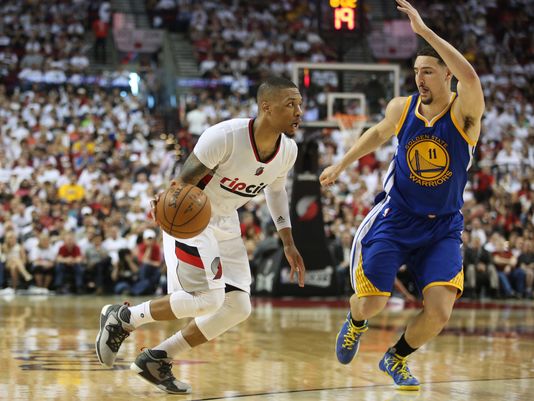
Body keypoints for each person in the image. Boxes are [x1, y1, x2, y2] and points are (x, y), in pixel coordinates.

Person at [95, 76, 306, 394]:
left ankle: (157, 358)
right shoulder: (226, 136)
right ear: (266, 107)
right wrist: (165, 199)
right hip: (192, 220)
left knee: (238, 307)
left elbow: (276, 192)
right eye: (291, 104)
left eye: (300, 104)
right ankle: (124, 317)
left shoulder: (287, 151)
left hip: (226, 222)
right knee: (208, 299)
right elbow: (181, 184)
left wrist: (288, 241)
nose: (299, 111)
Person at [319, 0, 484, 391]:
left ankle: (396, 358)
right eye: (416, 72)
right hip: (395, 218)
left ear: (447, 76)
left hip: (442, 226)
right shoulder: (402, 107)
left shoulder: (465, 114)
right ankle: (356, 322)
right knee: (373, 301)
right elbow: (377, 134)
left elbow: (472, 77)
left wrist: (425, 33)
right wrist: (342, 164)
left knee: (441, 310)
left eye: (428, 71)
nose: (420, 79)